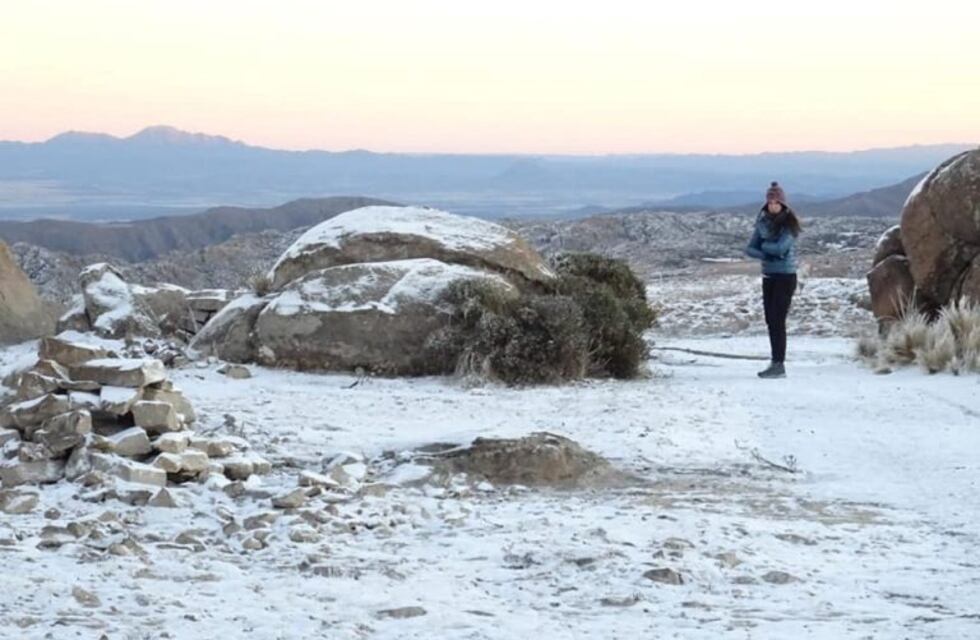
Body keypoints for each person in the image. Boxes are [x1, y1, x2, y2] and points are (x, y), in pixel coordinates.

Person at [744, 181, 802, 378]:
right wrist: (766, 253)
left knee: (778, 320)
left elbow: (780, 248)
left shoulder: (790, 225)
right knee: (771, 320)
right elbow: (750, 248)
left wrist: (764, 247)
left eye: (776, 203)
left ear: (783, 204)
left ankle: (779, 364)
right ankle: (775, 361)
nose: (773, 206)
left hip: (785, 276)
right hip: (768, 275)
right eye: (770, 203)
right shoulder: (763, 223)